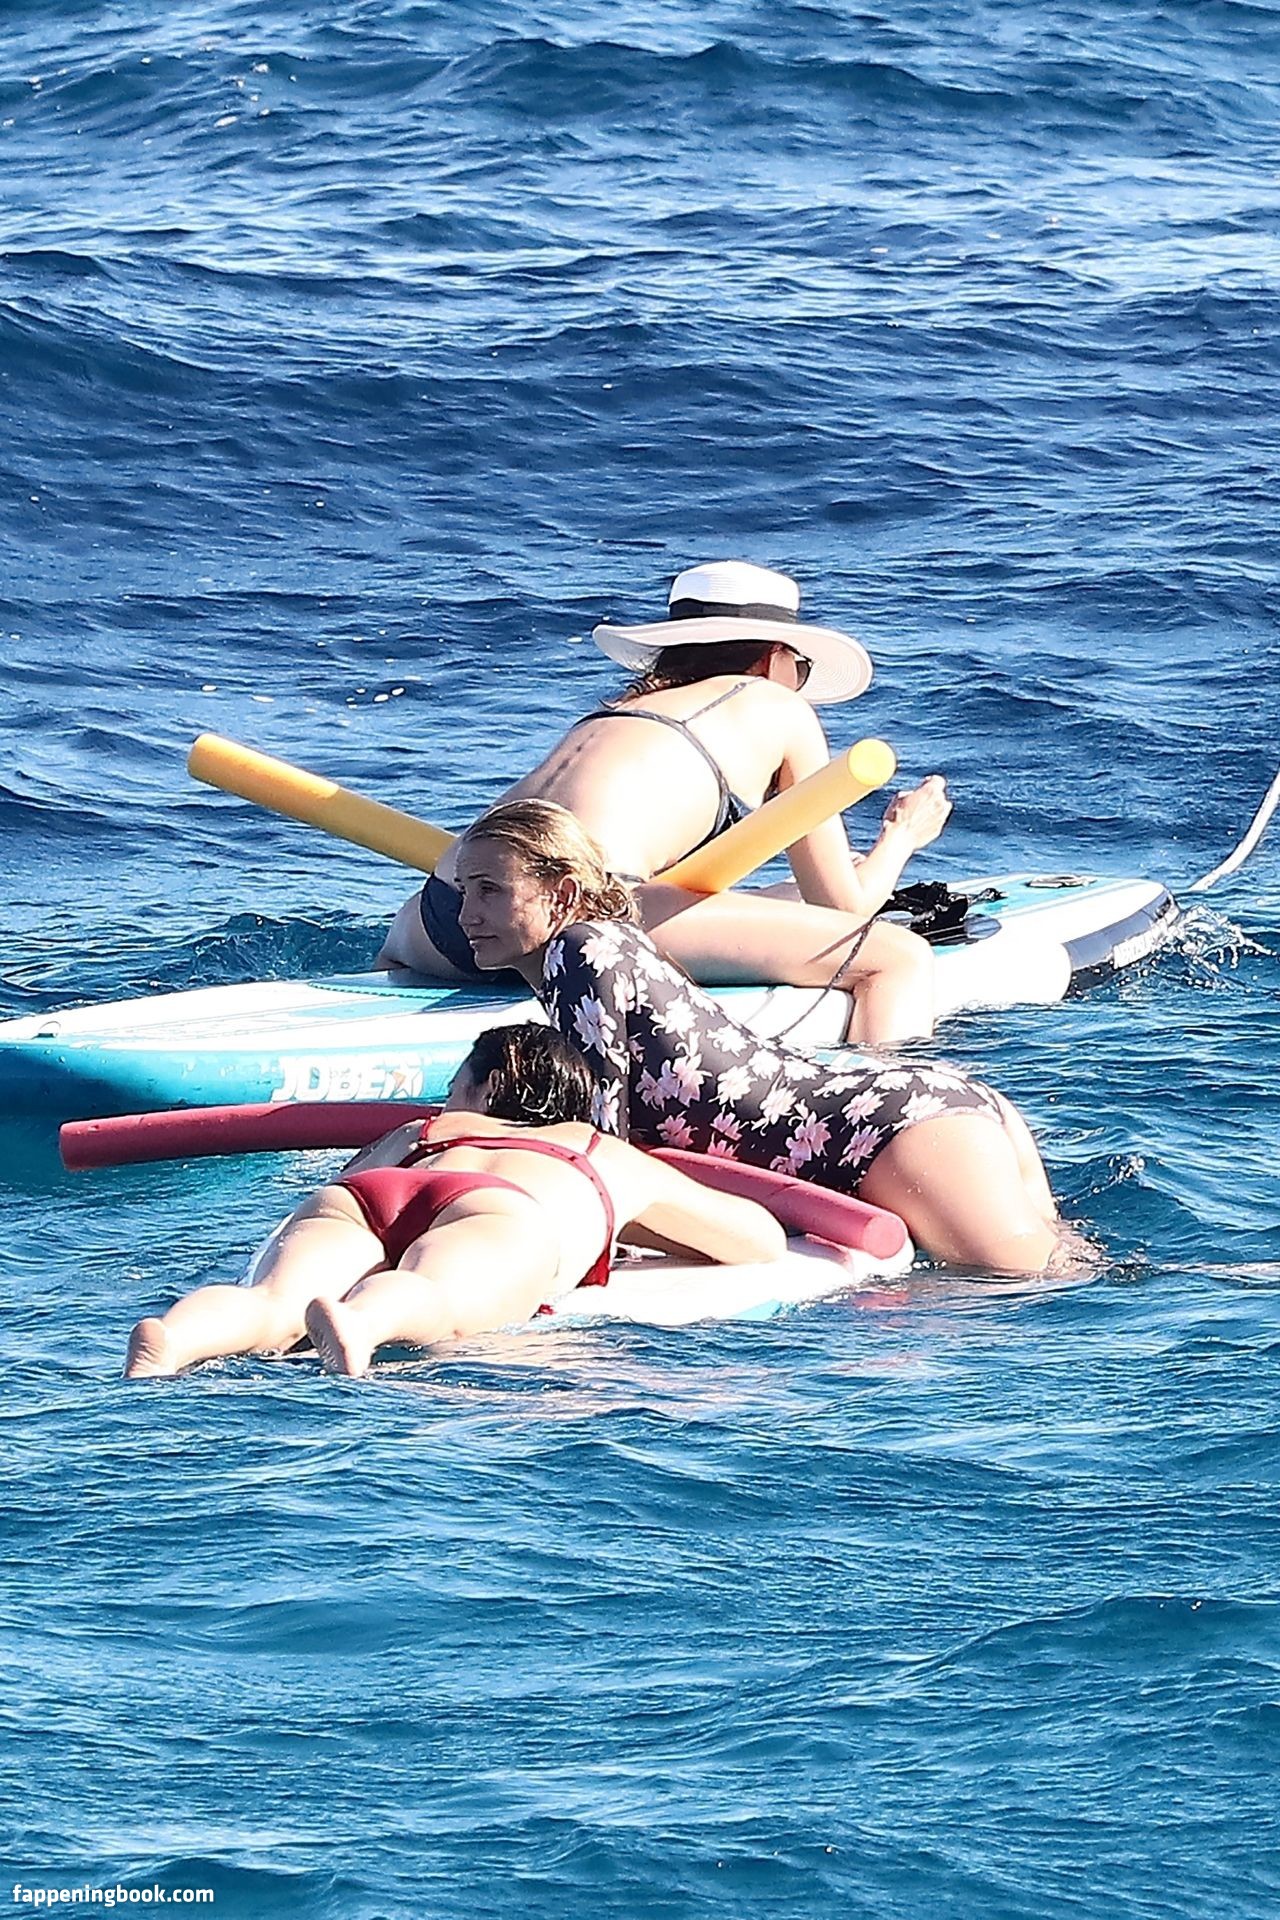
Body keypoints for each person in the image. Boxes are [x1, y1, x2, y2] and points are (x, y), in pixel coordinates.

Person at [448, 800, 1082, 1278]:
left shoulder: (577, 952)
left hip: (884, 1134)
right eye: (463, 892)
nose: (466, 915)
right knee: (1071, 1271)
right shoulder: (606, 944)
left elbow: (601, 1135)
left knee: (1035, 1294)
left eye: (490, 891)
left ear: (561, 894)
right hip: (911, 1112)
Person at [380, 559, 952, 1044]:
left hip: (437, 919)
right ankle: (894, 1117)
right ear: (773, 658)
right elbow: (844, 910)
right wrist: (901, 836)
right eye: (800, 669)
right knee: (897, 959)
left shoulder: (623, 712)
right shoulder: (777, 705)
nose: (798, 683)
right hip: (577, 914)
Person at [123, 1024, 786, 1380]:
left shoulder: (422, 1130)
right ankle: (360, 1325)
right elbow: (756, 1239)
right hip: (499, 1208)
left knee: (272, 1303)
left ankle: (175, 1340)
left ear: (480, 1089)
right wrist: (625, 1221)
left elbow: (351, 1182)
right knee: (432, 1291)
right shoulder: (600, 1151)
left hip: (367, 1195)